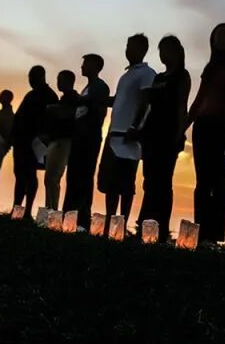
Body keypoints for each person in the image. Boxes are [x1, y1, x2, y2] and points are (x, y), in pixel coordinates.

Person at [185, 24, 225, 243]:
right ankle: (200, 230)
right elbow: (200, 98)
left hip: (224, 126)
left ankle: (215, 233)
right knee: (202, 181)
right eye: (217, 35)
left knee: (219, 179)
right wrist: (184, 125)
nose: (221, 39)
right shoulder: (210, 67)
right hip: (203, 125)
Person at [135, 35, 191, 240]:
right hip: (151, 134)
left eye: (167, 50)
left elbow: (180, 106)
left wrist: (178, 133)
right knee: (149, 181)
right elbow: (149, 107)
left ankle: (160, 228)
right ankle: (144, 225)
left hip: (168, 135)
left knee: (163, 182)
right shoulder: (158, 78)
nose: (163, 54)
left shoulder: (182, 76)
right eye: (161, 50)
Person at [99, 34, 156, 228]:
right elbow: (119, 100)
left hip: (129, 136)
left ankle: (121, 224)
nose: (127, 51)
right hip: (114, 133)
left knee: (125, 184)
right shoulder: (126, 75)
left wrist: (136, 127)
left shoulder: (147, 73)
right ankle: (109, 222)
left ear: (142, 49)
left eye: (131, 47)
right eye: (127, 46)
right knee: (110, 183)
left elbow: (147, 103)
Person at [63, 54, 110, 229]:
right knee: (73, 177)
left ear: (95, 66)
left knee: (83, 177)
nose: (82, 66)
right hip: (79, 137)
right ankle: (69, 216)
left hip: (88, 139)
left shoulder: (99, 87)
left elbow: (99, 111)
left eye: (85, 64)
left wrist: (84, 102)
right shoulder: (88, 87)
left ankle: (82, 220)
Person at [13, 67, 58, 216]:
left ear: (41, 77)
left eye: (33, 77)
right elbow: (18, 117)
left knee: (30, 175)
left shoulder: (49, 96)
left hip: (35, 143)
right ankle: (17, 207)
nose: (30, 80)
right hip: (21, 141)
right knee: (20, 175)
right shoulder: (30, 95)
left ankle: (27, 210)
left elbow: (52, 120)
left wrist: (44, 137)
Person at [44, 70, 81, 210]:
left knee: (53, 177)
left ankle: (52, 210)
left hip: (62, 141)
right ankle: (50, 208)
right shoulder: (65, 98)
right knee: (50, 178)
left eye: (60, 79)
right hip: (57, 140)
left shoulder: (73, 99)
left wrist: (54, 109)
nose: (58, 82)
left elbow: (68, 114)